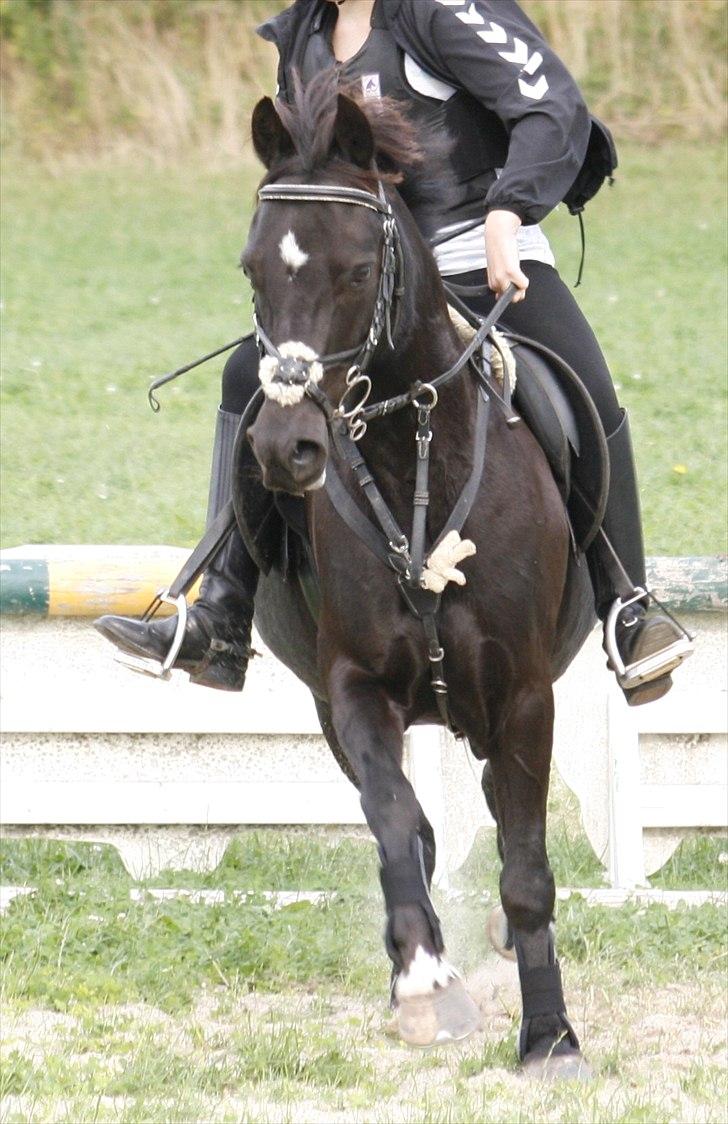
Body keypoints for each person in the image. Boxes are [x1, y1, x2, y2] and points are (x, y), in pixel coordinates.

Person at [95, 0, 692, 704]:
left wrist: (510, 210)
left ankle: (627, 604)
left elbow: (551, 105)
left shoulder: (443, 12)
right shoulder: (302, 37)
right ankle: (222, 613)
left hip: (476, 255)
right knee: (248, 378)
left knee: (582, 380)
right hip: (364, 280)